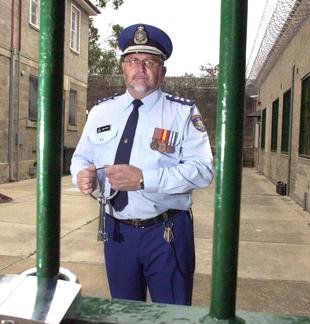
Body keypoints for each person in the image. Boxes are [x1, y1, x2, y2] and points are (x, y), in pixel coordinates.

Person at [70, 23, 213, 305]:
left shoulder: (182, 113)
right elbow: (81, 158)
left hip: (167, 232)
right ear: (123, 67)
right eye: (133, 61)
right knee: (125, 312)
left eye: (149, 62)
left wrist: (145, 179)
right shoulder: (101, 111)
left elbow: (203, 171)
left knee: (172, 316)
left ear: (162, 71)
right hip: (117, 231)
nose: (140, 68)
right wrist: (82, 175)